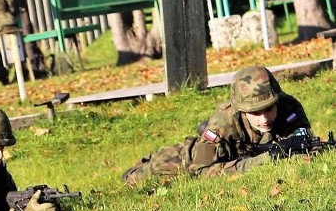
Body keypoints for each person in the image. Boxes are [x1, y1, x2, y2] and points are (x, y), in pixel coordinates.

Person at [122, 66, 312, 184]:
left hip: (240, 154)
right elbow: (200, 170)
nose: (264, 119)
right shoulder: (223, 122)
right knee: (137, 178)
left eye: (268, 109)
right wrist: (261, 161)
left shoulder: (290, 108)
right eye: (255, 112)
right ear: (241, 109)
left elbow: (305, 143)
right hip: (187, 158)